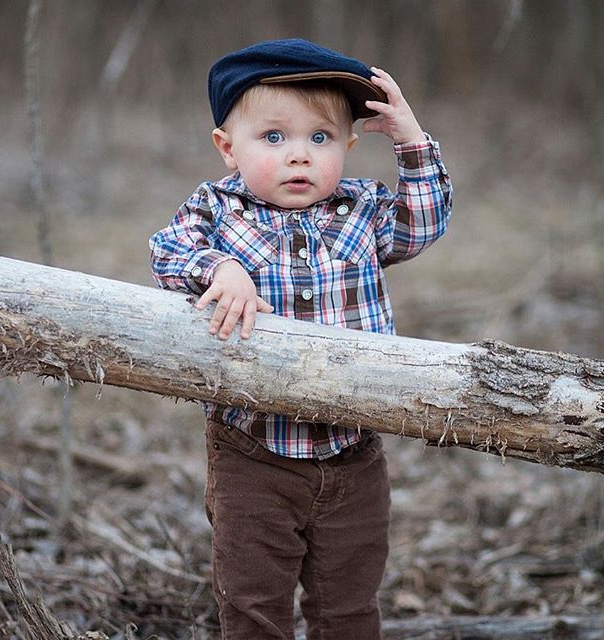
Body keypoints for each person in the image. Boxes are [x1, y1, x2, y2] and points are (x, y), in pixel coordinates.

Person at [149, 38, 452, 640]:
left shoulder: (362, 210)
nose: (299, 157)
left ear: (347, 146)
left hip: (354, 451)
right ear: (226, 147)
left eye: (320, 139)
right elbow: (167, 249)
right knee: (254, 604)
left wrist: (410, 137)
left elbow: (427, 221)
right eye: (273, 137)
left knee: (349, 605)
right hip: (251, 451)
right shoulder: (217, 208)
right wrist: (219, 269)